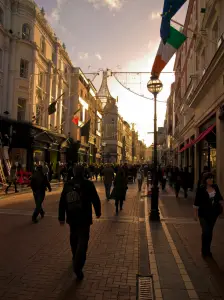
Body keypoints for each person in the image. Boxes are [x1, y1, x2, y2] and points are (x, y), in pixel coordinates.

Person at [58, 165, 101, 280]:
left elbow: (62, 201)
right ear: (83, 173)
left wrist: (61, 217)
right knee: (83, 241)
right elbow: (95, 199)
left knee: (73, 236)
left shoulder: (68, 185)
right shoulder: (88, 184)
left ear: (73, 172)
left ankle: (74, 256)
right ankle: (78, 265)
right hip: (84, 217)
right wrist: (98, 211)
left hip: (72, 216)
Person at [194, 172, 224, 257]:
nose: (211, 180)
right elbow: (197, 202)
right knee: (206, 231)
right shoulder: (201, 189)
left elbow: (220, 198)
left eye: (212, 178)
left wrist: (222, 209)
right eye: (209, 178)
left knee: (210, 232)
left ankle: (208, 250)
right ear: (205, 180)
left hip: (213, 214)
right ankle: (204, 249)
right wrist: (195, 215)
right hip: (203, 214)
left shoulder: (215, 187)